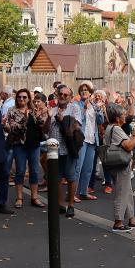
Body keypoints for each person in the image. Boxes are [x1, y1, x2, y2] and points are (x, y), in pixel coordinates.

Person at [103, 103, 135, 232]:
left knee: (127, 191)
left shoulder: (110, 127)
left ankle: (132, 219)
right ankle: (118, 222)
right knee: (122, 192)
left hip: (115, 164)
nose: (125, 117)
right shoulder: (117, 129)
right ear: (118, 118)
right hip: (119, 165)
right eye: (123, 115)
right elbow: (129, 146)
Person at [43, 84, 83, 217]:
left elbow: (76, 126)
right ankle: (60, 204)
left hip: (68, 148)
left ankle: (71, 205)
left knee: (71, 177)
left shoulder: (75, 108)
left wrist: (62, 120)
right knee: (56, 178)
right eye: (61, 94)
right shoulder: (52, 110)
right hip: (53, 149)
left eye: (66, 95)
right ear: (57, 95)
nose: (63, 97)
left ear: (71, 97)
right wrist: (49, 117)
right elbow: (45, 130)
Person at [3, 89, 47, 209]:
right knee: (20, 171)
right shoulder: (12, 111)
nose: (22, 99)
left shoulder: (34, 110)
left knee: (34, 171)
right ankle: (19, 198)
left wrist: (41, 117)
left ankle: (34, 197)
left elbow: (41, 127)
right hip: (19, 145)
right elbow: (14, 128)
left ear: (29, 99)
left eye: (24, 97)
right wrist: (25, 118)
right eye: (19, 97)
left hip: (34, 144)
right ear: (16, 98)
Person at [74, 82, 105, 202]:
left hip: (92, 139)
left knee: (88, 168)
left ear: (91, 93)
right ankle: (73, 193)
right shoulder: (76, 104)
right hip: (81, 139)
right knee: (78, 167)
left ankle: (83, 192)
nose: (84, 92)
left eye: (86, 90)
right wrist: (84, 109)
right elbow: (77, 121)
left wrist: (98, 109)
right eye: (82, 90)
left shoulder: (94, 105)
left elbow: (100, 120)